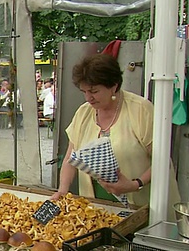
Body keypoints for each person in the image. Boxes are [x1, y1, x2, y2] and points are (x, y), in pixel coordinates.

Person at [51, 54, 180, 219]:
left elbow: (162, 162)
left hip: (142, 209)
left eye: (94, 91)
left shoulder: (141, 110)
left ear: (114, 86)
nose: (88, 97)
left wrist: (135, 184)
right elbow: (70, 158)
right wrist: (62, 190)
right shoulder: (84, 112)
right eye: (84, 91)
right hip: (97, 210)